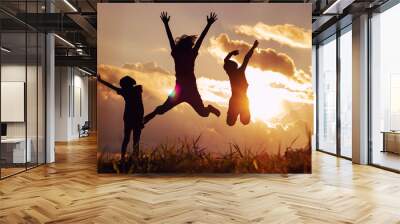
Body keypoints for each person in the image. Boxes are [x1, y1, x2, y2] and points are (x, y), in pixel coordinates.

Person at [144, 11, 220, 124]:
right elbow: (171, 40)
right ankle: (146, 118)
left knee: (203, 113)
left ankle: (209, 108)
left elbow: (199, 41)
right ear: (186, 46)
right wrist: (166, 24)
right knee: (163, 109)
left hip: (190, 90)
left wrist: (208, 25)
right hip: (179, 90)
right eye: (190, 45)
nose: (192, 46)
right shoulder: (179, 53)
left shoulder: (188, 53)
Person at [97, 74, 144, 169]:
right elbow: (141, 107)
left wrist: (101, 81)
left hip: (129, 117)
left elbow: (112, 87)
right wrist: (141, 119)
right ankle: (134, 159)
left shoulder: (126, 91)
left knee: (127, 139)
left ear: (125, 84)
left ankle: (124, 158)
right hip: (135, 117)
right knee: (135, 140)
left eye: (122, 84)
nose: (122, 86)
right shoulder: (136, 91)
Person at [223, 40, 259, 126]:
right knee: (243, 120)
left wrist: (231, 53)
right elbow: (246, 58)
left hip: (236, 100)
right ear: (234, 66)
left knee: (234, 121)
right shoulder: (239, 72)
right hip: (241, 100)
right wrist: (253, 47)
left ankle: (234, 118)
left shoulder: (231, 74)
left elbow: (225, 60)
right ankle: (237, 118)